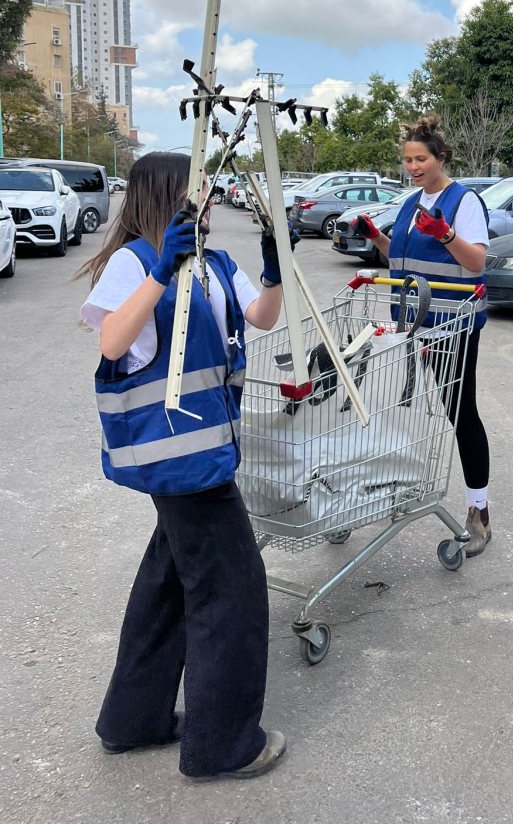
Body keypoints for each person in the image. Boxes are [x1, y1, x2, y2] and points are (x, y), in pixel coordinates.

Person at [78, 151, 291, 780]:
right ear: (164, 195)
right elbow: (112, 341)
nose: (205, 202)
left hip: (206, 454)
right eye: (195, 191)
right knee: (232, 592)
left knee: (169, 583)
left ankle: (133, 720)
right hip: (180, 461)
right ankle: (222, 745)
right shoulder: (135, 262)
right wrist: (161, 271)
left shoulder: (217, 263)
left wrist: (276, 270)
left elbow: (262, 317)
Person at [353, 115, 493, 555]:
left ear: (441, 158)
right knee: (401, 412)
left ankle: (479, 512)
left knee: (460, 413)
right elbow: (404, 256)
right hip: (412, 327)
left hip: (452, 327)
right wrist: (376, 237)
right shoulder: (411, 203)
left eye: (421, 159)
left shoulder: (464, 201)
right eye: (407, 160)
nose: (413, 167)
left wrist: (447, 233)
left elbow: (476, 264)